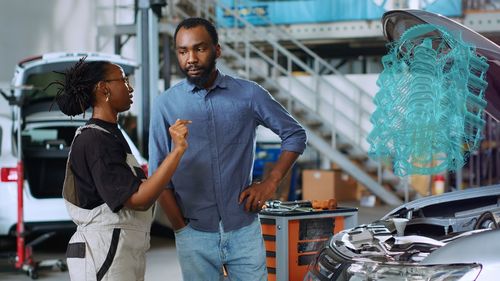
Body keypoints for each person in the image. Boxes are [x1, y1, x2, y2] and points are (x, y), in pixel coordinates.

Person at [149, 17, 307, 280]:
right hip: (194, 232)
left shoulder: (249, 94)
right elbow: (158, 175)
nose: (191, 58)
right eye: (183, 51)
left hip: (243, 228)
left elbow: (295, 134)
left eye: (199, 48)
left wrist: (270, 183)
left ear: (217, 50)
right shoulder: (165, 105)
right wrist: (180, 228)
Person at [53, 57, 190, 281]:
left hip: (119, 247)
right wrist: (177, 150)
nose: (130, 87)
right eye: (124, 80)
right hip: (104, 251)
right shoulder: (95, 140)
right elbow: (138, 199)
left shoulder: (109, 134)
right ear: (104, 88)